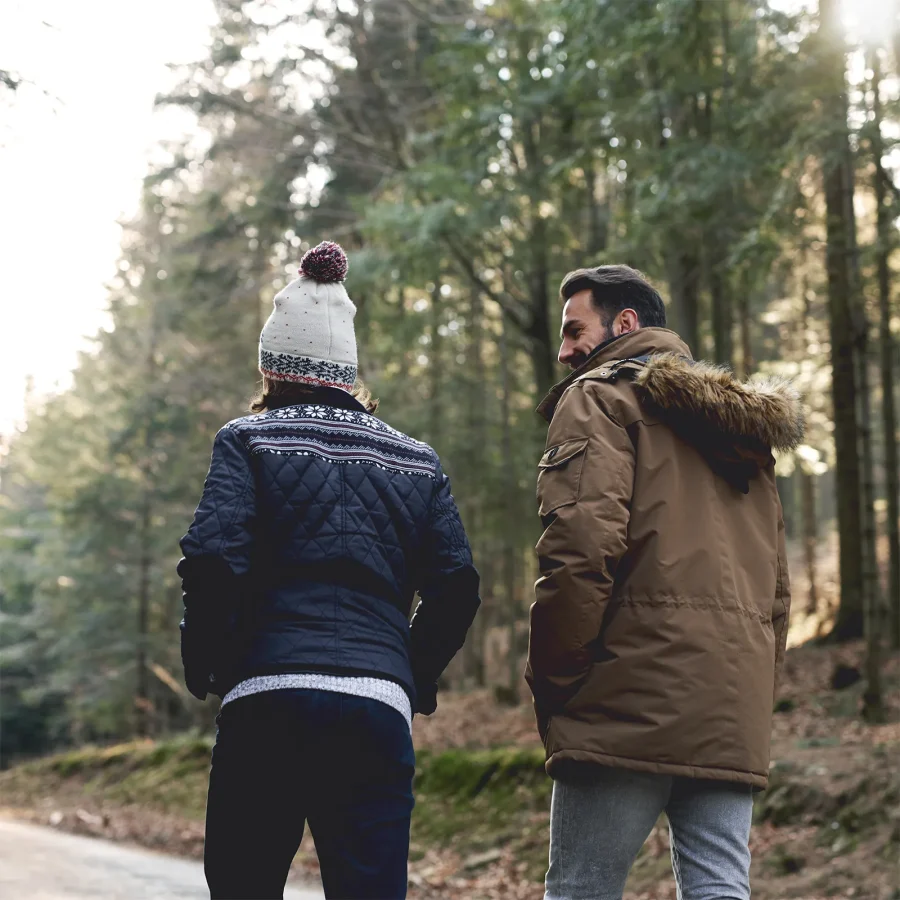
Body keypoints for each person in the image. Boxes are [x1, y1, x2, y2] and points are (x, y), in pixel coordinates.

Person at [178, 240, 480, 900]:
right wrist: (410, 672)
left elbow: (211, 561)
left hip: (267, 698)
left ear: (273, 368)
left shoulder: (247, 440)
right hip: (373, 707)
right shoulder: (417, 461)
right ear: (347, 371)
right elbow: (457, 586)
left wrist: (208, 659)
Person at [526, 265, 801, 900]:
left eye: (574, 330)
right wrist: (752, 686)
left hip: (625, 695)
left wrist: (559, 682)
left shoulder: (597, 398)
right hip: (729, 700)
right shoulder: (742, 431)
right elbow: (777, 590)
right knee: (719, 889)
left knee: (580, 889)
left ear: (626, 325)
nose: (563, 350)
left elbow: (578, 552)